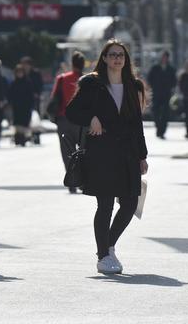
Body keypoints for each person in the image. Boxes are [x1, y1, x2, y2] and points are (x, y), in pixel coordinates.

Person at [66, 39, 148, 274]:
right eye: (112, 55)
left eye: (120, 55)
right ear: (103, 58)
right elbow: (72, 111)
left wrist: (142, 155)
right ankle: (103, 257)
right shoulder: (92, 84)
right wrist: (91, 118)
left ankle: (108, 244)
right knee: (105, 204)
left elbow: (137, 124)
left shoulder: (133, 85)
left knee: (131, 201)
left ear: (126, 59)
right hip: (101, 151)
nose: (116, 59)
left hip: (128, 153)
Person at [50, 50, 85, 193]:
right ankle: (83, 181)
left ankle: (72, 181)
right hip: (82, 122)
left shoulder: (62, 78)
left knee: (67, 153)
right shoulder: (87, 79)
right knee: (84, 151)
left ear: (72, 64)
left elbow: (54, 98)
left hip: (64, 120)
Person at [147, 51, 177, 139]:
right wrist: (153, 86)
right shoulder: (155, 68)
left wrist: (171, 87)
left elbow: (174, 81)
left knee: (165, 113)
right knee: (155, 111)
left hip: (166, 94)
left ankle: (162, 131)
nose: (164, 59)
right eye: (163, 57)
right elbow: (150, 78)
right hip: (156, 93)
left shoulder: (171, 69)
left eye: (166, 57)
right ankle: (158, 126)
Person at [8, 64, 35, 146]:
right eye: (18, 72)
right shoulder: (14, 83)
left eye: (21, 72)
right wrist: (10, 102)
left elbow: (31, 94)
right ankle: (17, 139)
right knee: (17, 123)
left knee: (24, 123)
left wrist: (31, 104)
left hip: (26, 106)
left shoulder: (28, 82)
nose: (19, 74)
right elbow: (10, 94)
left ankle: (23, 139)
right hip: (16, 106)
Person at [20, 56, 44, 144]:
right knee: (25, 118)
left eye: (26, 64)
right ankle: (26, 136)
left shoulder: (35, 73)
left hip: (35, 99)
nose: (25, 66)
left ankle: (36, 135)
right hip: (25, 100)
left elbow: (40, 84)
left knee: (35, 118)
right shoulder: (21, 73)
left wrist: (37, 93)